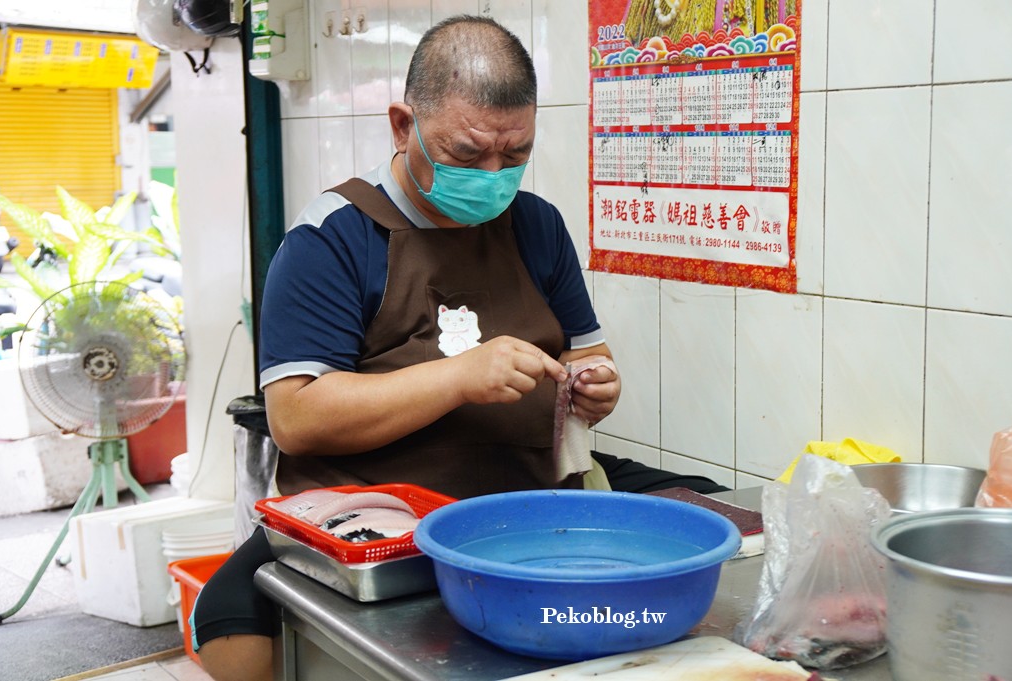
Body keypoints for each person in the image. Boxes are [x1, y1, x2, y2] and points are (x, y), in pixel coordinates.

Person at [192, 15, 724, 681]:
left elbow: (596, 357)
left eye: (515, 154)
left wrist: (598, 384)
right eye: (469, 156)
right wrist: (458, 377)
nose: (495, 176)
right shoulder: (331, 240)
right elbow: (296, 419)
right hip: (374, 515)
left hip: (523, 497)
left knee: (712, 508)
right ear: (401, 125)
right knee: (231, 627)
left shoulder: (537, 226)